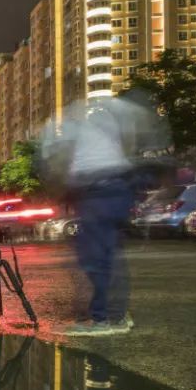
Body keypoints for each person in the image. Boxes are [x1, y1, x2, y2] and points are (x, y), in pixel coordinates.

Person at [39, 92, 169, 336]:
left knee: (94, 259)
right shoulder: (111, 124)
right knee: (110, 256)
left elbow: (54, 157)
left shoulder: (74, 125)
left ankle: (100, 320)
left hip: (97, 191)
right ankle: (117, 316)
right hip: (116, 190)